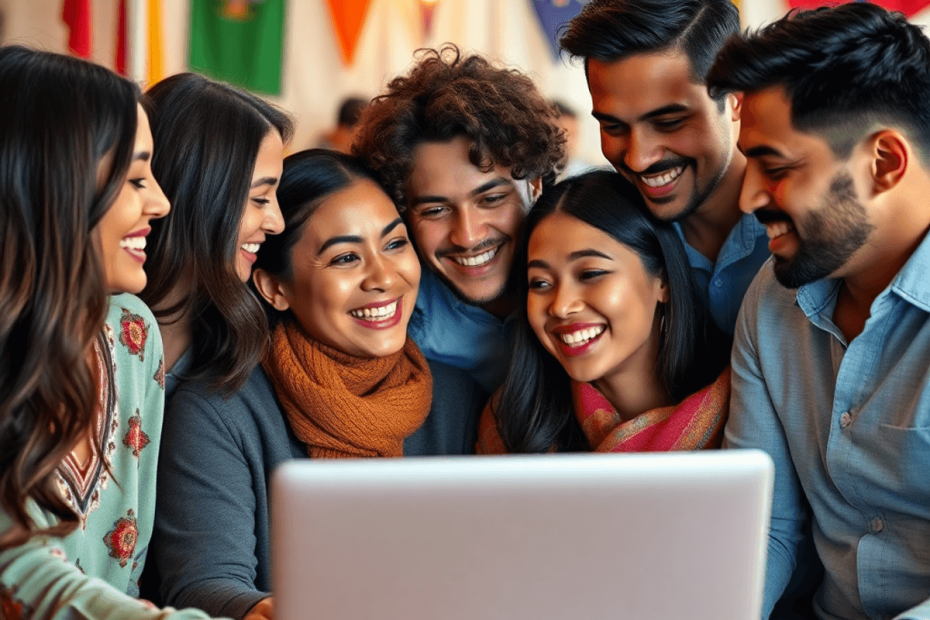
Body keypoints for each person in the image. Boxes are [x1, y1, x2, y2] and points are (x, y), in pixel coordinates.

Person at [153, 150, 484, 620]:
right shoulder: (218, 412)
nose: (385, 278)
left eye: (394, 244)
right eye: (346, 258)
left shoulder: (459, 399)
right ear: (274, 289)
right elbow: (204, 585)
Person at [706, 4, 930, 619]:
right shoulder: (771, 298)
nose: (749, 195)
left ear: (884, 163)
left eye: (775, 168)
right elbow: (767, 528)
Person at [0, 45, 215, 619]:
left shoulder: (131, 334)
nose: (162, 202)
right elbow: (15, 566)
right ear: (55, 181)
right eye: (135, 178)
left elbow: (125, 574)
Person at [353, 44, 565, 393]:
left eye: (492, 199)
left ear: (535, 184)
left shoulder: (589, 284)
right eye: (435, 210)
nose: (467, 236)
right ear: (403, 212)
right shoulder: (390, 318)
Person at [477, 171, 729, 454]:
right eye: (541, 283)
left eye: (591, 273)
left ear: (664, 281)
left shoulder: (742, 405)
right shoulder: (511, 425)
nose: (561, 306)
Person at [560, 0, 770, 336]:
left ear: (736, 99)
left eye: (669, 122)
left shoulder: (808, 221)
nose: (638, 159)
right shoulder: (602, 238)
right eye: (613, 127)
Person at [139, 72, 293, 400]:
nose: (277, 223)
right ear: (196, 194)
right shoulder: (82, 334)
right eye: (260, 198)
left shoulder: (242, 338)